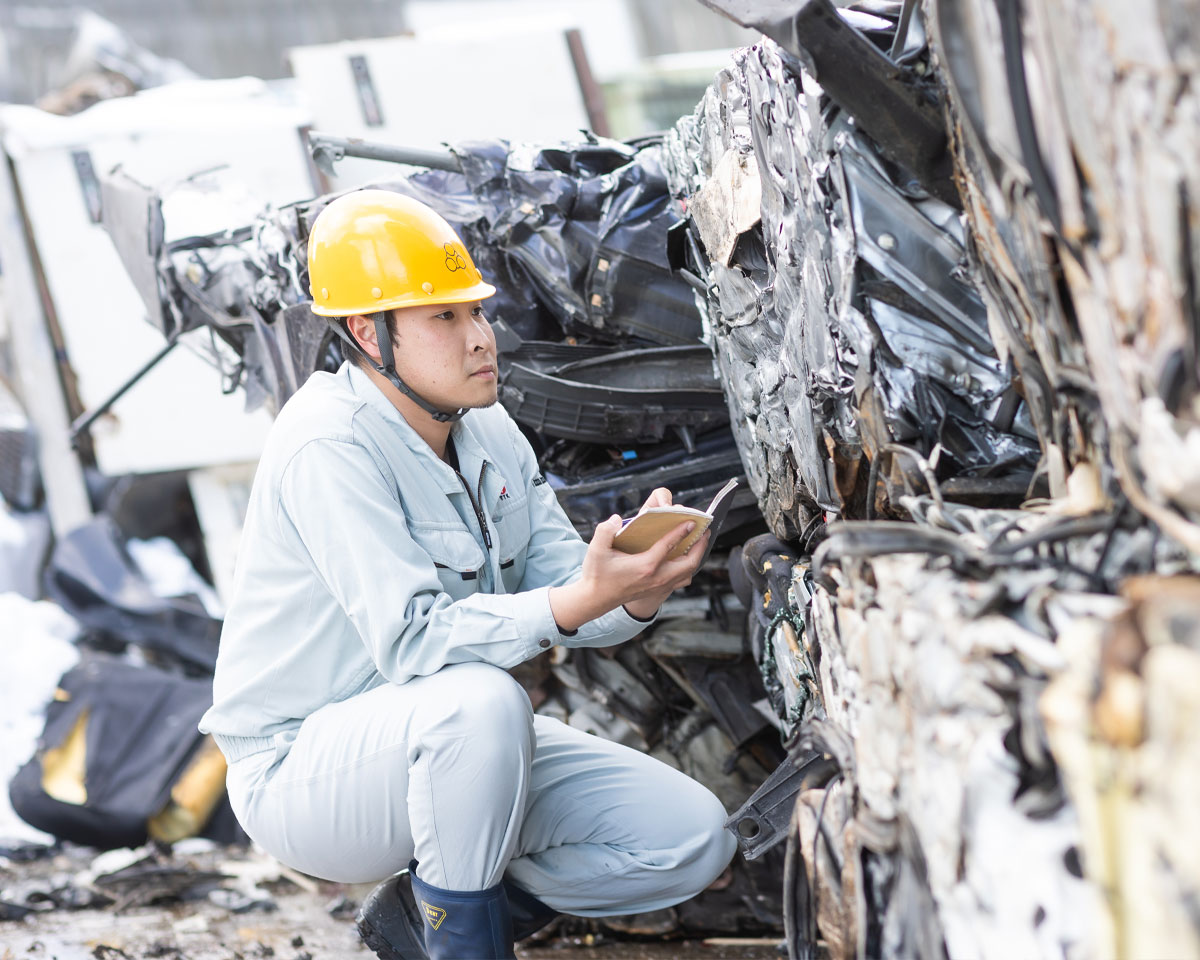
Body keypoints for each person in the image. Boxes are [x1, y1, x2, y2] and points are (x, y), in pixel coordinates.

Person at [198, 190, 736, 960]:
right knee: (481, 701)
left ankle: (425, 921)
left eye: (476, 313)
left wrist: (637, 590)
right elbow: (416, 644)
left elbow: (564, 587)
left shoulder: (485, 425)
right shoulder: (326, 445)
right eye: (443, 317)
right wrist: (573, 599)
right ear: (367, 334)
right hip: (305, 773)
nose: (481, 337)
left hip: (454, 742)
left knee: (690, 838)